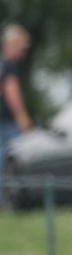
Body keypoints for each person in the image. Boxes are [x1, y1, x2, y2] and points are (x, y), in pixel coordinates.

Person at [1, 24, 34, 208]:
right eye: (21, 46)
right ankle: (9, 202)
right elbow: (11, 93)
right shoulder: (9, 67)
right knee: (11, 163)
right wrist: (22, 118)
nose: (23, 51)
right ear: (12, 44)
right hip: (7, 124)